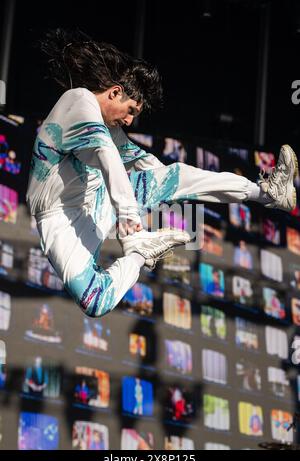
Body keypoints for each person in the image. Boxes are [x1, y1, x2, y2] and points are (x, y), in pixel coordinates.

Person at [26, 29, 298, 319]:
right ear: (115, 92)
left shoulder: (110, 129)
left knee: (174, 175)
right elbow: (107, 156)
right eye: (130, 110)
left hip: (96, 200)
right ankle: (142, 252)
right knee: (96, 301)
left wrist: (169, 183)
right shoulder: (78, 101)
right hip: (60, 217)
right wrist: (130, 218)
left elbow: (145, 162)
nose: (130, 120)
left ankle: (268, 192)